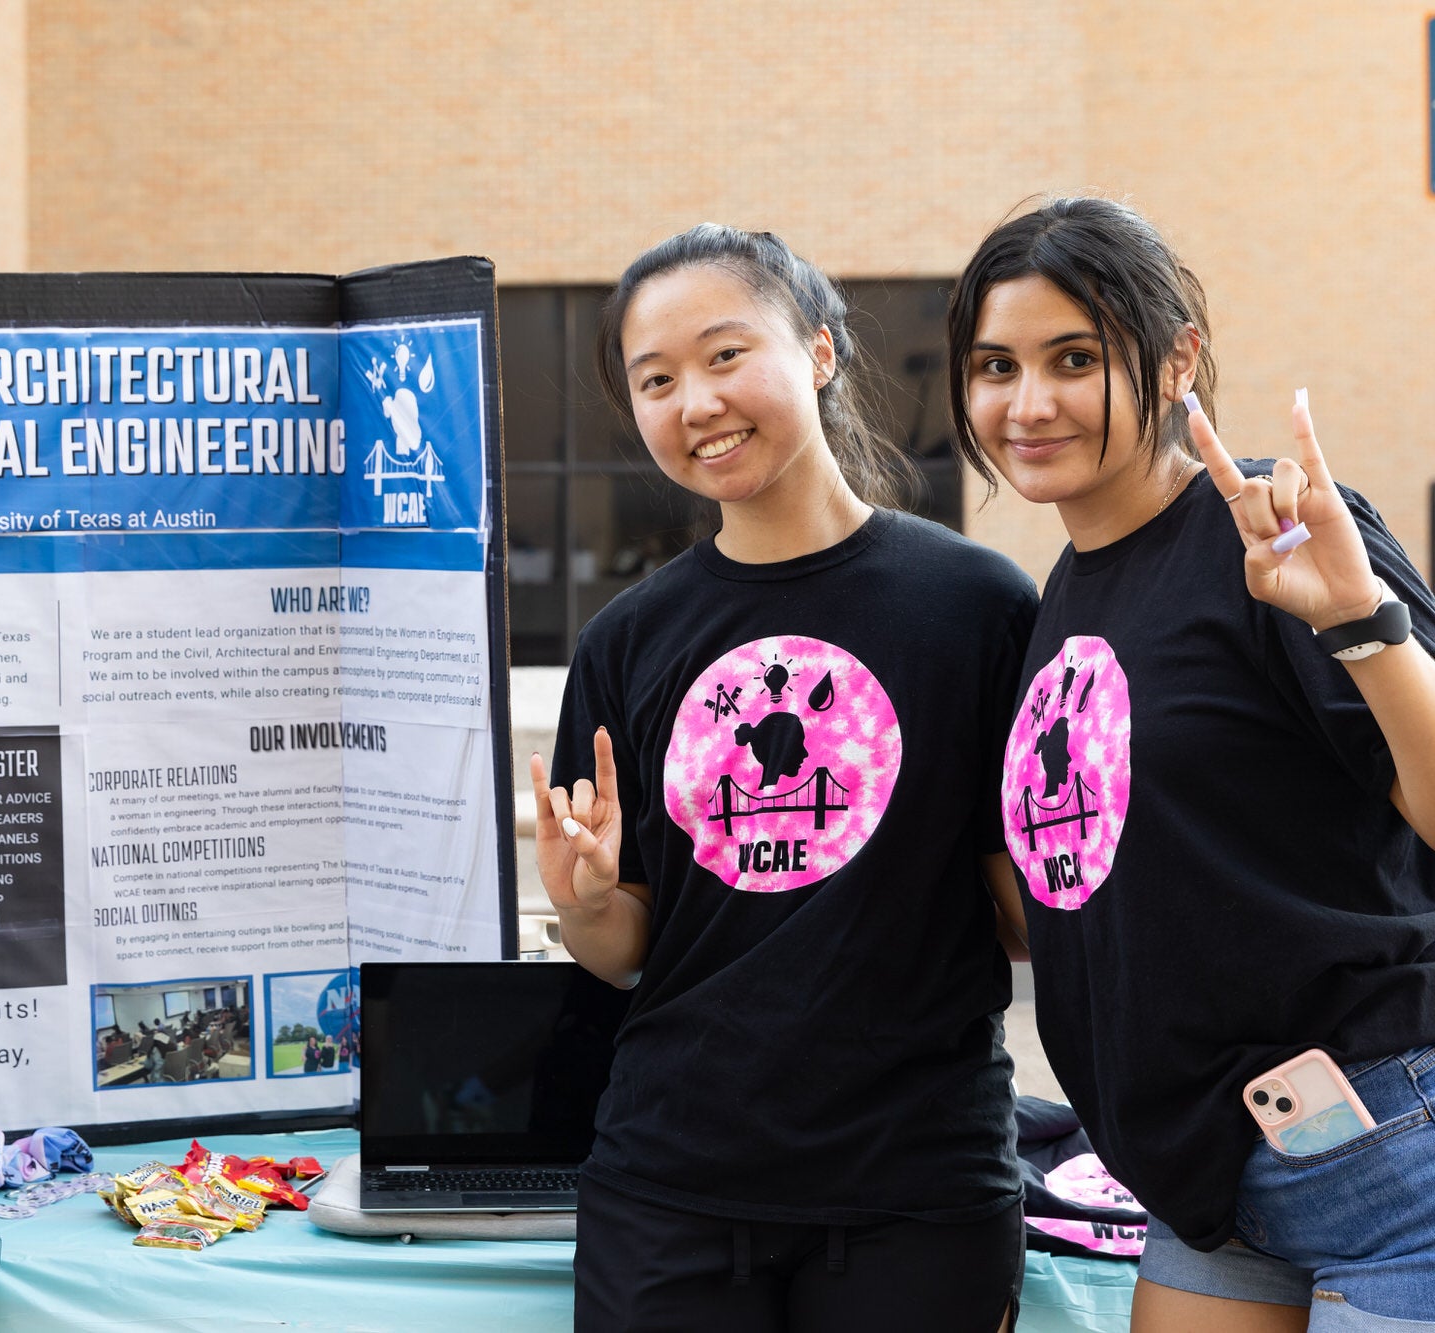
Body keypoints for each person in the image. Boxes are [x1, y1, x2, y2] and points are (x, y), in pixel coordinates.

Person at [537, 223, 1038, 1330]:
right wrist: (585, 905)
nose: (697, 402)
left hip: (916, 1187)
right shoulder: (625, 642)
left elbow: (1023, 920)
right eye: (656, 380)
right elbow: (626, 947)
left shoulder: (976, 606)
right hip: (669, 1183)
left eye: (726, 355)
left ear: (818, 349)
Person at [950, 195, 1435, 1330]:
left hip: (1388, 1149)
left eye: (1074, 359)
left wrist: (1360, 619)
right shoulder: (1061, 599)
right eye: (995, 366)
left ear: (1177, 361)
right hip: (1205, 1174)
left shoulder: (1271, 534)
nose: (1028, 403)